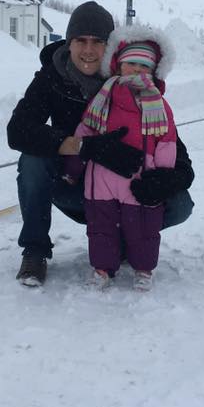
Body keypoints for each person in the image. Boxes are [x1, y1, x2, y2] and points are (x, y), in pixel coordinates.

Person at [7, 1, 195, 287]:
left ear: (110, 47)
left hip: (125, 192)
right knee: (32, 160)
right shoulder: (52, 77)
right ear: (69, 43)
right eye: (80, 41)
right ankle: (35, 250)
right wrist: (84, 147)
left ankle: (121, 239)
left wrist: (172, 178)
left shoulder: (129, 79)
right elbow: (18, 131)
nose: (88, 50)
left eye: (98, 42)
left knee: (180, 204)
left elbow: (173, 146)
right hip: (74, 186)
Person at [71, 26, 178, 291]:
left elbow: (167, 140)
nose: (138, 70)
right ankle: (102, 268)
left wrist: (162, 177)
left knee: (143, 228)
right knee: (101, 227)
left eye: (145, 66)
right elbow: (85, 131)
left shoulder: (158, 105)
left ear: (154, 71)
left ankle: (143, 268)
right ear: (118, 66)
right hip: (101, 178)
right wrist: (74, 166)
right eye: (131, 63)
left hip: (140, 178)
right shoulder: (103, 98)